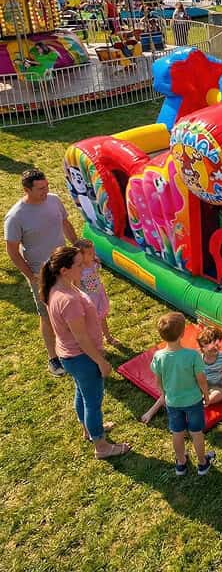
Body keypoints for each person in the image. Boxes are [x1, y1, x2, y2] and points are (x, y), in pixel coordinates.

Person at [43, 246, 131, 458]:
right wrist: (101, 361)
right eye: (79, 265)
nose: (84, 268)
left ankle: (88, 430)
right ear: (64, 270)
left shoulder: (56, 287)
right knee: (93, 402)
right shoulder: (69, 300)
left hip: (69, 356)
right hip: (82, 357)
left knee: (81, 393)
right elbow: (82, 339)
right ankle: (101, 446)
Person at [4, 169, 78, 376]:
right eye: (40, 189)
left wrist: (75, 245)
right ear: (26, 190)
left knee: (71, 310)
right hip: (40, 274)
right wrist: (31, 275)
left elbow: (65, 223)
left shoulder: (54, 201)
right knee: (47, 317)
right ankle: (53, 359)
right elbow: (12, 251)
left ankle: (74, 348)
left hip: (65, 267)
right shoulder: (16, 217)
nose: (45, 191)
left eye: (46, 186)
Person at [149, 312, 215, 475]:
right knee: (196, 432)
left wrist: (163, 395)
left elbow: (158, 380)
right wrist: (206, 395)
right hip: (193, 401)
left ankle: (181, 463)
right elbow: (201, 380)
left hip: (172, 402)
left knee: (177, 432)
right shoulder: (192, 355)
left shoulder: (158, 356)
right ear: (182, 333)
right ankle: (202, 463)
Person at [141, 324, 222, 422]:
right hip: (198, 383)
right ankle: (151, 411)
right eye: (210, 346)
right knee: (171, 391)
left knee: (218, 395)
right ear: (202, 348)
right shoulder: (197, 356)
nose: (215, 348)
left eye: (217, 345)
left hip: (216, 386)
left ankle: (197, 405)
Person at [74, 238, 120, 348]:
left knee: (102, 316)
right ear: (80, 256)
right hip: (89, 299)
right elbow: (76, 286)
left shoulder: (93, 262)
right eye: (89, 253)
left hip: (98, 294)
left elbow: (96, 273)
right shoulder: (78, 269)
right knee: (91, 323)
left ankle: (108, 336)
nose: (93, 254)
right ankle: (93, 343)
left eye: (93, 252)